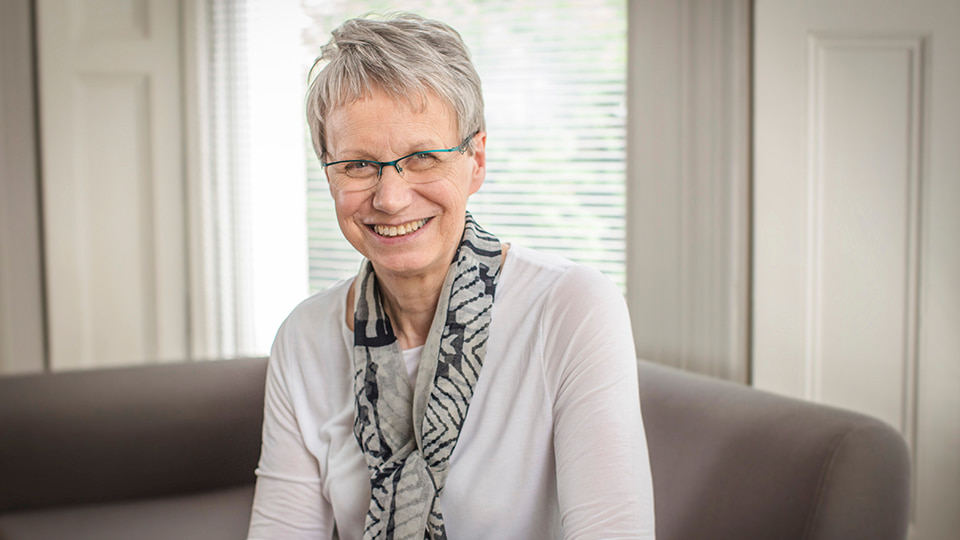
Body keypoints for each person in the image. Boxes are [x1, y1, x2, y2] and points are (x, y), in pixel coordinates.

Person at [248, 12, 655, 540]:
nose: (390, 198)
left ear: (476, 160)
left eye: (422, 157)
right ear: (329, 173)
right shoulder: (303, 338)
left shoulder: (572, 308)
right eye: (357, 165)